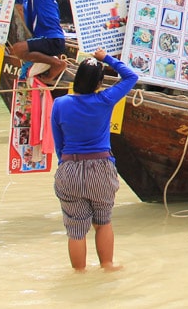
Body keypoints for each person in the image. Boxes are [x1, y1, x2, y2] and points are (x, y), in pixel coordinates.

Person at [50, 48, 139, 272]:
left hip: (70, 167)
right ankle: (107, 266)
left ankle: (79, 274)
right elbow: (131, 77)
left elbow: (58, 144)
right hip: (101, 167)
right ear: (99, 83)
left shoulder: (60, 104)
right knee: (103, 222)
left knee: (76, 230)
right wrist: (106, 58)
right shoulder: (105, 99)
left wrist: (68, 165)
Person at [10, 0, 68, 81]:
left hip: (51, 37)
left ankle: (57, 64)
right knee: (17, 51)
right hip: (41, 37)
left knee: (18, 49)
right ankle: (50, 63)